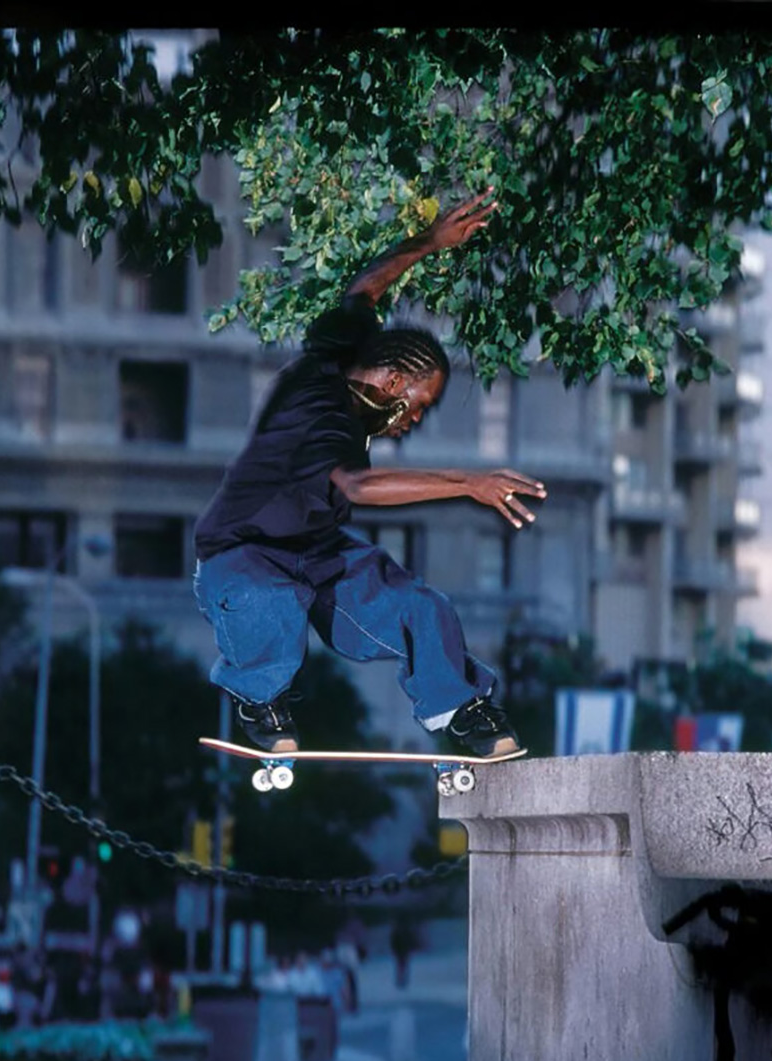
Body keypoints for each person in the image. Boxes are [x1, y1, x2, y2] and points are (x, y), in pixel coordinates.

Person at [193, 188, 547, 754]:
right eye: (417, 406)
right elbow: (359, 486)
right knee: (274, 604)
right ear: (389, 386)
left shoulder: (339, 348)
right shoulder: (322, 413)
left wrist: (430, 242)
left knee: (420, 604)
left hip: (318, 551)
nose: (412, 422)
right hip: (241, 557)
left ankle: (459, 709)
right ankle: (259, 696)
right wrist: (467, 483)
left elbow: (365, 286)